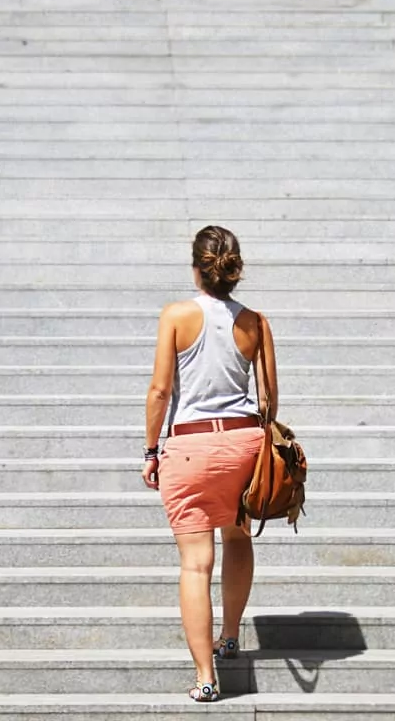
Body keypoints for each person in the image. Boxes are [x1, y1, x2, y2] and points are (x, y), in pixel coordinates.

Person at [140, 224, 279, 703]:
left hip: (192, 446)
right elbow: (269, 397)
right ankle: (232, 634)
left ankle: (206, 675)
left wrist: (151, 449)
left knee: (196, 565)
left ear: (197, 268)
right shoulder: (255, 322)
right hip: (245, 442)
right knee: (238, 536)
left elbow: (160, 390)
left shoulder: (176, 315)